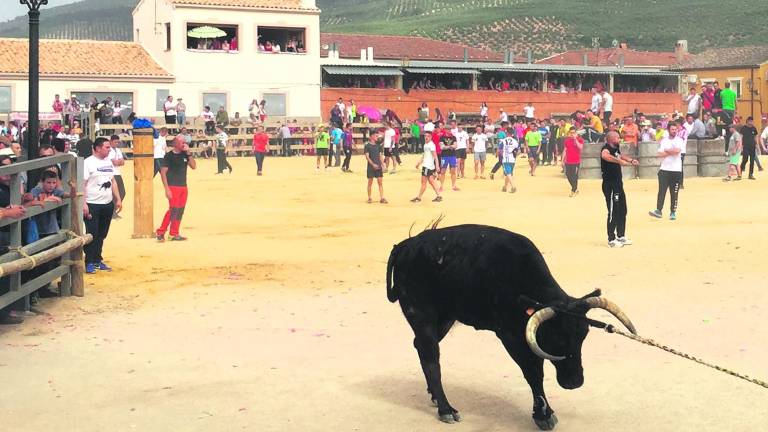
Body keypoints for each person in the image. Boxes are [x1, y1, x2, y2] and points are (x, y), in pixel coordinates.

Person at [83, 137, 122, 274]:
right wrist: (84, 203)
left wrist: (117, 198)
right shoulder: (87, 163)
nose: (109, 149)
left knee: (102, 233)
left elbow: (113, 181)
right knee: (92, 233)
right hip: (93, 203)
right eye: (106, 147)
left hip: (106, 203)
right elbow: (83, 184)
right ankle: (89, 261)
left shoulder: (108, 163)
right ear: (98, 148)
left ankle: (97, 259)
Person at [600, 131, 638, 248]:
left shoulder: (616, 148)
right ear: (611, 139)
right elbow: (605, 156)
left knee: (622, 210)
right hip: (610, 185)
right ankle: (611, 239)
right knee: (613, 212)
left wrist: (630, 160)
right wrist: (619, 161)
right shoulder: (605, 148)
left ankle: (621, 235)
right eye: (617, 137)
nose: (619, 139)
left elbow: (620, 155)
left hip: (618, 184)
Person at [156, 135, 196, 242]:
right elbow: (163, 173)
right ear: (176, 143)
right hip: (173, 186)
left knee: (180, 211)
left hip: (183, 186)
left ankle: (174, 233)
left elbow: (193, 166)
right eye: (182, 142)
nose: (184, 144)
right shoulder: (169, 156)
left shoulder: (185, 154)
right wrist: (167, 188)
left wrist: (189, 153)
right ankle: (161, 232)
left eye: (184, 142)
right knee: (173, 210)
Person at [649, 124, 684, 221]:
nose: (674, 131)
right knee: (662, 191)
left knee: (674, 192)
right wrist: (670, 152)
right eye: (672, 129)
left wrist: (667, 151)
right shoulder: (664, 140)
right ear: (668, 130)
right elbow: (659, 154)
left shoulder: (679, 140)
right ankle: (659, 210)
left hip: (676, 170)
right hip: (664, 169)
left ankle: (673, 212)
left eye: (675, 129)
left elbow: (677, 151)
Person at [411, 134, 442, 203]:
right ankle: (439, 196)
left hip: (428, 166)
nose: (426, 137)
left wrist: (437, 166)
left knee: (424, 182)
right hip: (426, 166)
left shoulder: (431, 145)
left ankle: (419, 198)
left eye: (428, 136)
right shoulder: (426, 145)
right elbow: (424, 155)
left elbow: (435, 157)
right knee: (431, 181)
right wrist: (419, 163)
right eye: (425, 136)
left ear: (431, 137)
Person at [364, 130, 386, 204]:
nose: (377, 137)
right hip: (371, 167)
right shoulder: (367, 146)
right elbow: (367, 157)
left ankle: (382, 197)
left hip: (378, 166)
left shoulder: (378, 146)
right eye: (376, 136)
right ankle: (369, 197)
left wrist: (383, 165)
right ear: (371, 137)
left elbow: (380, 156)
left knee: (380, 182)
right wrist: (373, 164)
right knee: (370, 182)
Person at [108, 135, 126, 218]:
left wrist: (118, 162)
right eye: (115, 142)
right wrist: (118, 162)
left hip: (117, 173)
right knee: (113, 193)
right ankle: (112, 212)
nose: (117, 143)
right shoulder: (109, 150)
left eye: (118, 142)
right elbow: (115, 162)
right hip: (111, 173)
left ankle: (113, 211)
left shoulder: (118, 150)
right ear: (111, 141)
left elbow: (122, 162)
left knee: (122, 192)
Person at [563, 128, 584, 197]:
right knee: (568, 175)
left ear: (576, 133)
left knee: (574, 176)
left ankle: (573, 190)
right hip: (568, 161)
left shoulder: (580, 139)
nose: (572, 134)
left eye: (573, 132)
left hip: (576, 161)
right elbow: (565, 150)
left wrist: (575, 139)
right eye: (571, 133)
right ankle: (575, 188)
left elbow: (580, 147)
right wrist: (562, 159)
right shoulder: (567, 141)